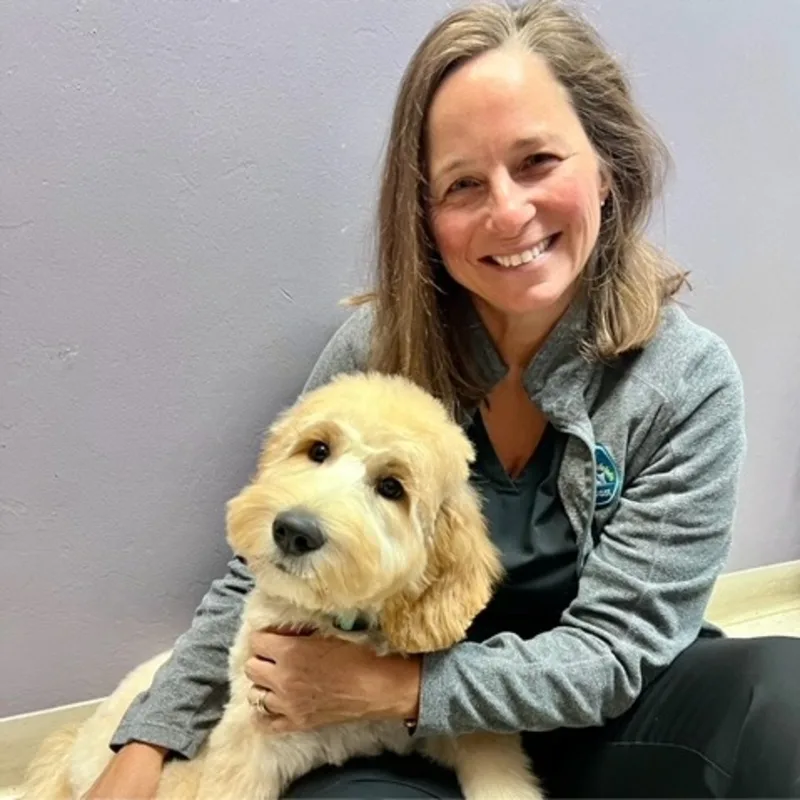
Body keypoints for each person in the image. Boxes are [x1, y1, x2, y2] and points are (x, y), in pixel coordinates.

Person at [87, 1, 800, 797]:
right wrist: (148, 741)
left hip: (611, 717)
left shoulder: (687, 382)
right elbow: (265, 563)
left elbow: (619, 650)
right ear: (425, 215)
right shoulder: (375, 353)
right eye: (463, 183)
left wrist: (405, 686)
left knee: (786, 691)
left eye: (537, 161)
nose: (507, 211)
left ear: (607, 167)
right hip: (402, 738)